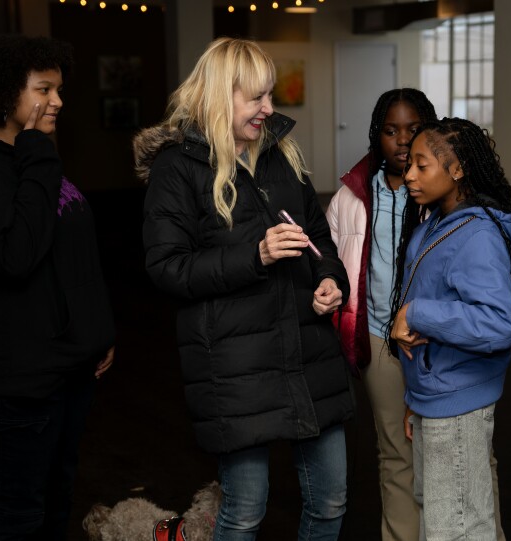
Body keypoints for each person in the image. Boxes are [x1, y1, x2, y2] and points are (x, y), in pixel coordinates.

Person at [133, 37, 354, 540]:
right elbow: (168, 269)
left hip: (307, 354)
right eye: (255, 97)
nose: (269, 109)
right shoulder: (176, 169)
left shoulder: (282, 156)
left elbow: (320, 240)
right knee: (246, 509)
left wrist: (329, 281)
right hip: (234, 366)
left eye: (270, 95)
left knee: (332, 501)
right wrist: (255, 254)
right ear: (218, 95)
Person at [0, 35, 116, 540]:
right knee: (14, 516)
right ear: (3, 92)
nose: (58, 101)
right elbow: (17, 255)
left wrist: (96, 330)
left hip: (68, 370)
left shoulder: (35, 161)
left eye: (59, 89)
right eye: (44, 89)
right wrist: (38, 151)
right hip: (17, 382)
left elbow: (75, 256)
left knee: (55, 503)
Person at [389, 118, 511, 540]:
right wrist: (416, 397)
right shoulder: (439, 220)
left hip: (456, 404)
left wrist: (417, 314)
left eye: (422, 165)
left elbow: (500, 322)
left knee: (455, 528)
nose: (411, 174)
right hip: (435, 397)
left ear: (456, 170)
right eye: (409, 165)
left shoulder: (477, 235)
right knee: (445, 521)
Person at [326, 88, 436, 541]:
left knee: (441, 450)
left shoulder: (439, 189)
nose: (403, 141)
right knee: (394, 451)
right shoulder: (352, 195)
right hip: (376, 337)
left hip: (434, 342)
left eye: (413, 130)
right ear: (377, 134)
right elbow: (333, 260)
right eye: (392, 131)